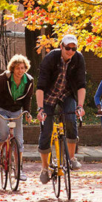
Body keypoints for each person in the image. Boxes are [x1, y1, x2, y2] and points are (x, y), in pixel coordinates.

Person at [36, 34, 86, 184]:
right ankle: (45, 168)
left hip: (66, 94)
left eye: (73, 48)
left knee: (71, 119)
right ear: (61, 47)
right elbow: (40, 86)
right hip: (48, 96)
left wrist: (80, 106)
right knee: (46, 130)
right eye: (67, 48)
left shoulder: (78, 59)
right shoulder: (51, 58)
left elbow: (81, 84)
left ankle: (71, 158)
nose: (70, 51)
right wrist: (40, 109)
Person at [0, 54, 34, 181]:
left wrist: (27, 112)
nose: (20, 71)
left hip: (16, 110)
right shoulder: (3, 79)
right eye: (17, 68)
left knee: (19, 140)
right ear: (12, 69)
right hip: (1, 108)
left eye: (22, 68)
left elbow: (28, 99)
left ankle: (19, 170)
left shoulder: (29, 81)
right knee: (4, 132)